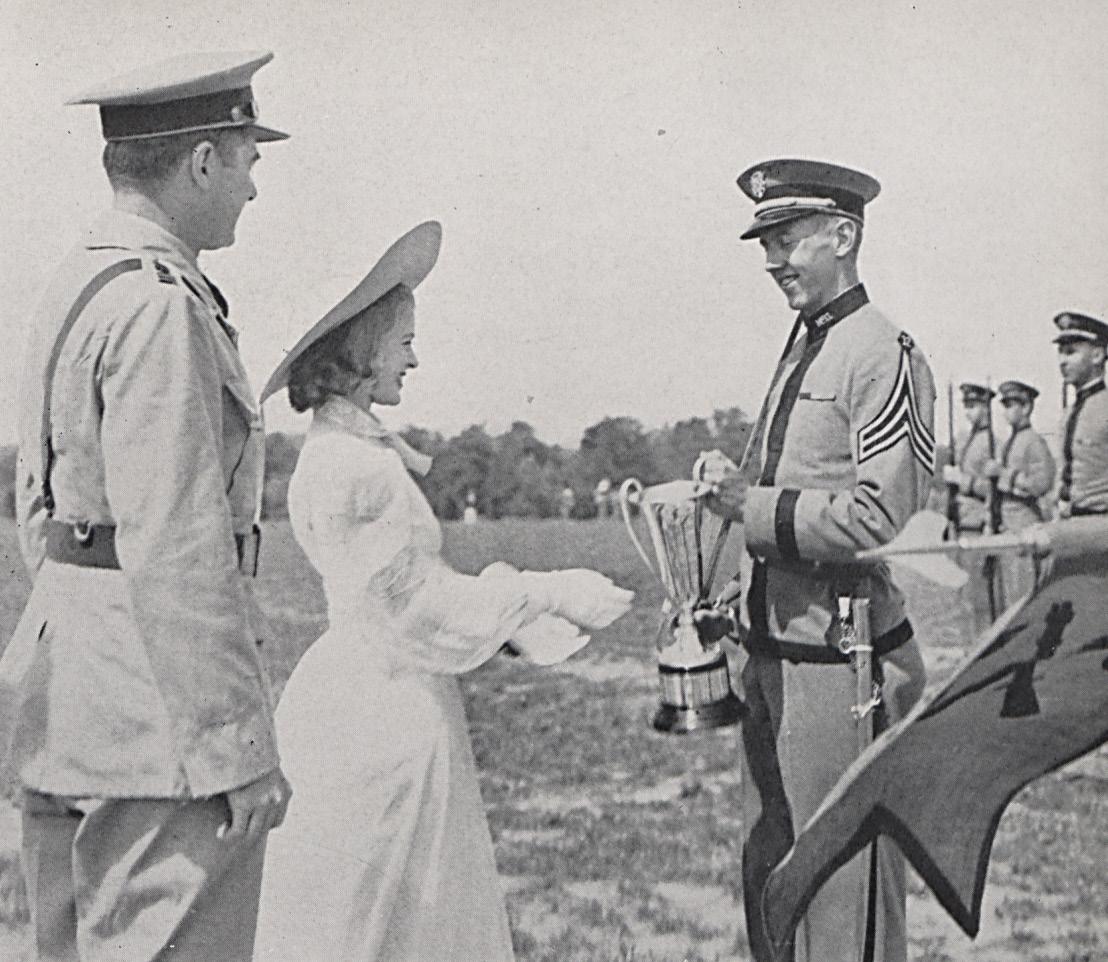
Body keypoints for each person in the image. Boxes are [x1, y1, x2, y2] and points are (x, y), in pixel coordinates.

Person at [253, 222, 633, 961]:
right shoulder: (352, 467)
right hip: (383, 712)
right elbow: (417, 609)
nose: (413, 359)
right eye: (402, 343)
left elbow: (408, 591)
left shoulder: (344, 451)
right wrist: (546, 591)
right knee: (385, 920)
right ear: (362, 351)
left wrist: (512, 604)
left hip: (360, 692)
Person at [0, 52, 291, 961]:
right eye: (247, 161)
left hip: (69, 693)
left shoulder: (78, 283)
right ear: (203, 162)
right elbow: (180, 543)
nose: (252, 188)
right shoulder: (161, 307)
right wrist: (236, 751)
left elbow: (37, 505)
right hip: (158, 725)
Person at [701, 159, 934, 962]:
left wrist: (750, 505)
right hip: (772, 653)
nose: (772, 260)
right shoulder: (809, 342)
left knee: (844, 895)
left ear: (843, 235)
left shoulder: (882, 351)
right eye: (766, 243)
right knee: (774, 875)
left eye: (787, 239)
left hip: (844, 665)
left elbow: (878, 516)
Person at [980, 380, 1056, 599]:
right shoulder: (1008, 443)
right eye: (1005, 405)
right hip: (1007, 528)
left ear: (1027, 407)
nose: (1006, 411)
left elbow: (1041, 483)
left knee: (1023, 598)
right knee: (1007, 596)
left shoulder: (1034, 442)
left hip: (1025, 528)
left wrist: (1003, 474)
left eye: (1012, 405)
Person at [942, 382, 1002, 631]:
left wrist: (962, 481)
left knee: (981, 598)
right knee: (965, 597)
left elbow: (993, 489)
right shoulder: (963, 439)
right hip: (961, 524)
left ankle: (983, 643)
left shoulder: (992, 443)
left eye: (974, 405)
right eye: (966, 406)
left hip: (978, 525)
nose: (968, 412)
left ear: (987, 407)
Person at [1052, 311, 1108, 519]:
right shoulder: (1069, 413)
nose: (1062, 361)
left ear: (1097, 356)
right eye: (1060, 353)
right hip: (1072, 520)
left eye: (1070, 352)